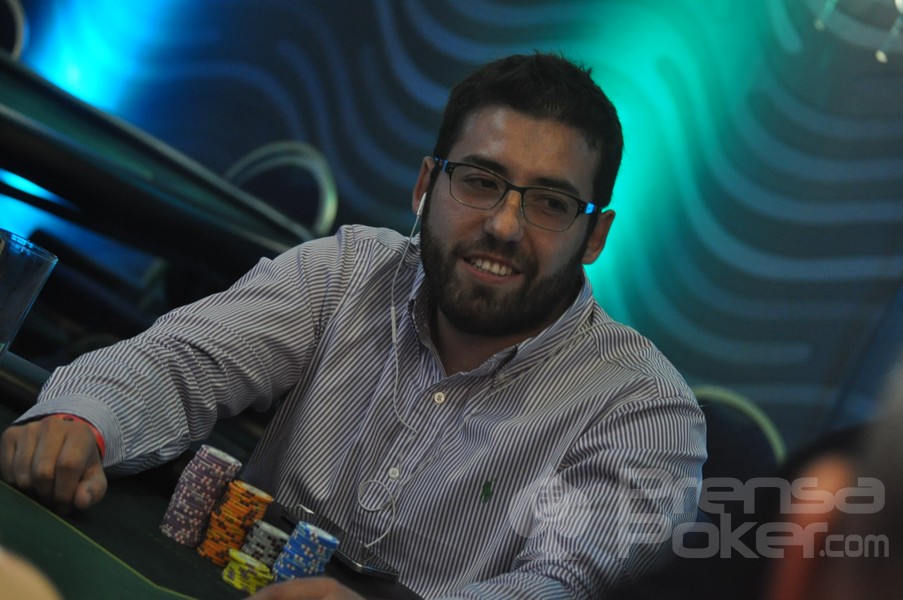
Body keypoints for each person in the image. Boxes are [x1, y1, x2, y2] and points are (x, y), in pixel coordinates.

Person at [0, 52, 705, 599]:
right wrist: (87, 418)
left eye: (550, 202)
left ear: (594, 235)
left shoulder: (644, 409)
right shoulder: (346, 270)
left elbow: (564, 584)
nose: (503, 225)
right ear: (425, 186)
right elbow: (184, 361)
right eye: (480, 181)